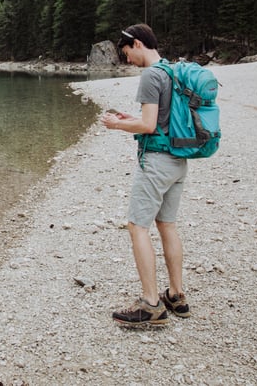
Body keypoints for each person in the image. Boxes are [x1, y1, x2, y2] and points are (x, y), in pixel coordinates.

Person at [101, 23, 192, 328]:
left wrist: (116, 125)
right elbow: (161, 118)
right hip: (179, 160)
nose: (127, 60)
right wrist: (132, 118)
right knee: (167, 224)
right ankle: (177, 295)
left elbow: (150, 126)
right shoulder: (171, 70)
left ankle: (151, 303)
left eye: (126, 52)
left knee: (136, 226)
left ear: (137, 44)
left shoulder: (150, 75)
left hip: (156, 161)